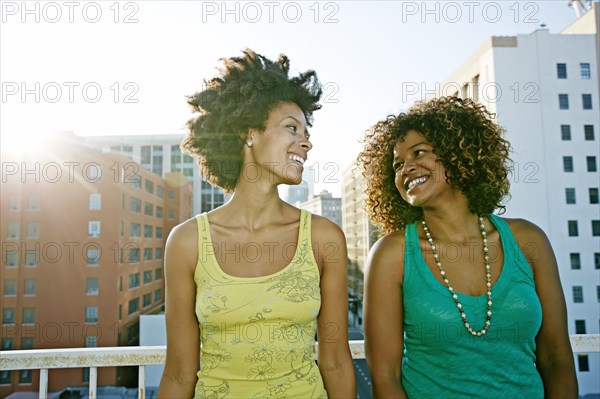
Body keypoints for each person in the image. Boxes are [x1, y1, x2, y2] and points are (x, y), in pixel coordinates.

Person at [157, 49, 356, 399]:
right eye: (291, 128)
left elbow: (337, 361)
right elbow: (178, 374)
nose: (306, 142)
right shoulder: (187, 242)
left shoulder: (324, 238)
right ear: (249, 132)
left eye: (307, 132)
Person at [358, 97, 577, 398]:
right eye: (397, 164)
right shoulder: (391, 255)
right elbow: (386, 376)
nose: (406, 168)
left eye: (419, 152)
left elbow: (557, 358)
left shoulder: (528, 241)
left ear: (458, 153)